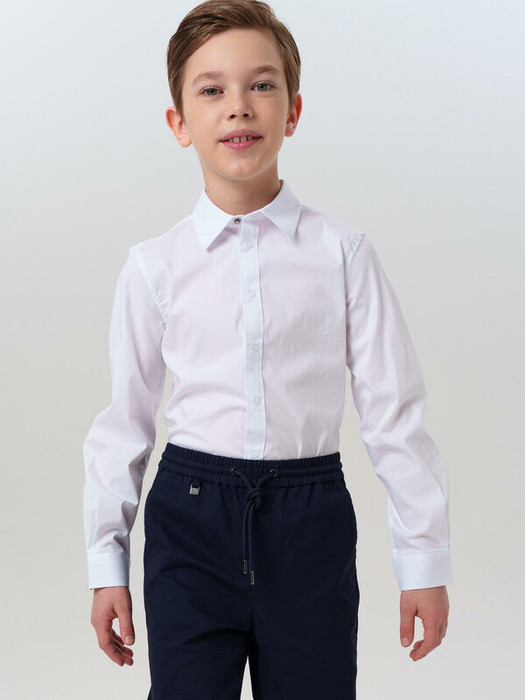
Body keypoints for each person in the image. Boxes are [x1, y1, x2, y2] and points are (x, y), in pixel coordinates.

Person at [83, 1, 451, 698]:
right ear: (178, 124)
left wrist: (424, 562)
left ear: (293, 110)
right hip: (190, 522)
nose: (238, 107)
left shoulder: (342, 255)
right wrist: (107, 565)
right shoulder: (154, 268)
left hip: (309, 521)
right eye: (211, 90)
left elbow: (393, 415)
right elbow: (123, 424)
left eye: (261, 84)